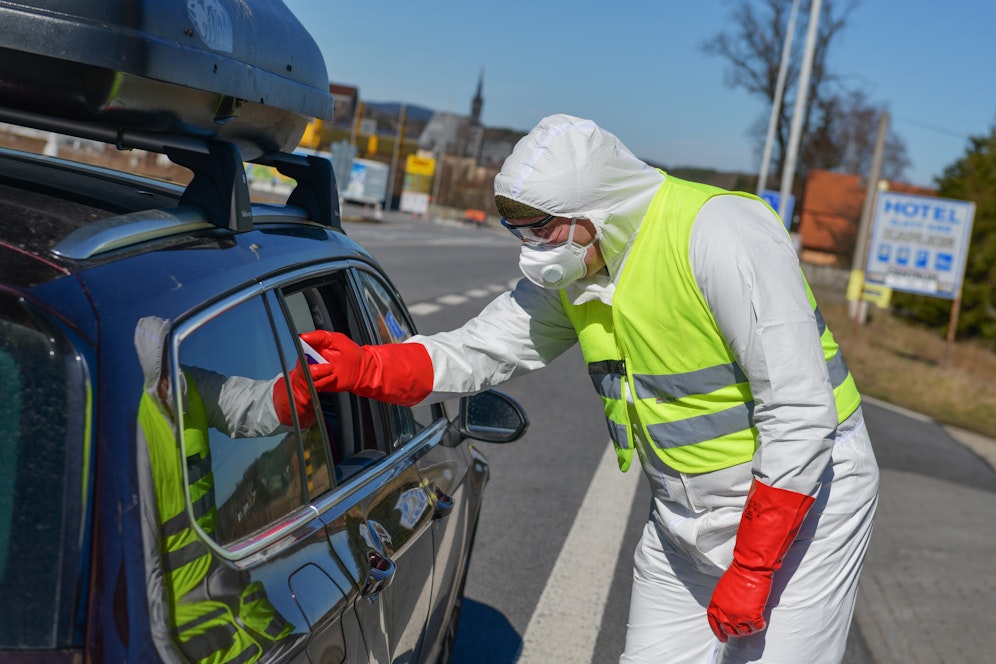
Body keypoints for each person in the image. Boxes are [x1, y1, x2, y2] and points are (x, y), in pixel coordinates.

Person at [297, 114, 880, 663]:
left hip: (804, 510)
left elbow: (800, 411)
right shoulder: (580, 263)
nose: (533, 248)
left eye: (542, 229)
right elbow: (483, 349)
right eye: (518, 231)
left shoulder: (719, 233)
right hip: (684, 517)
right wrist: (367, 368)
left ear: (598, 208)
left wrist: (755, 567)